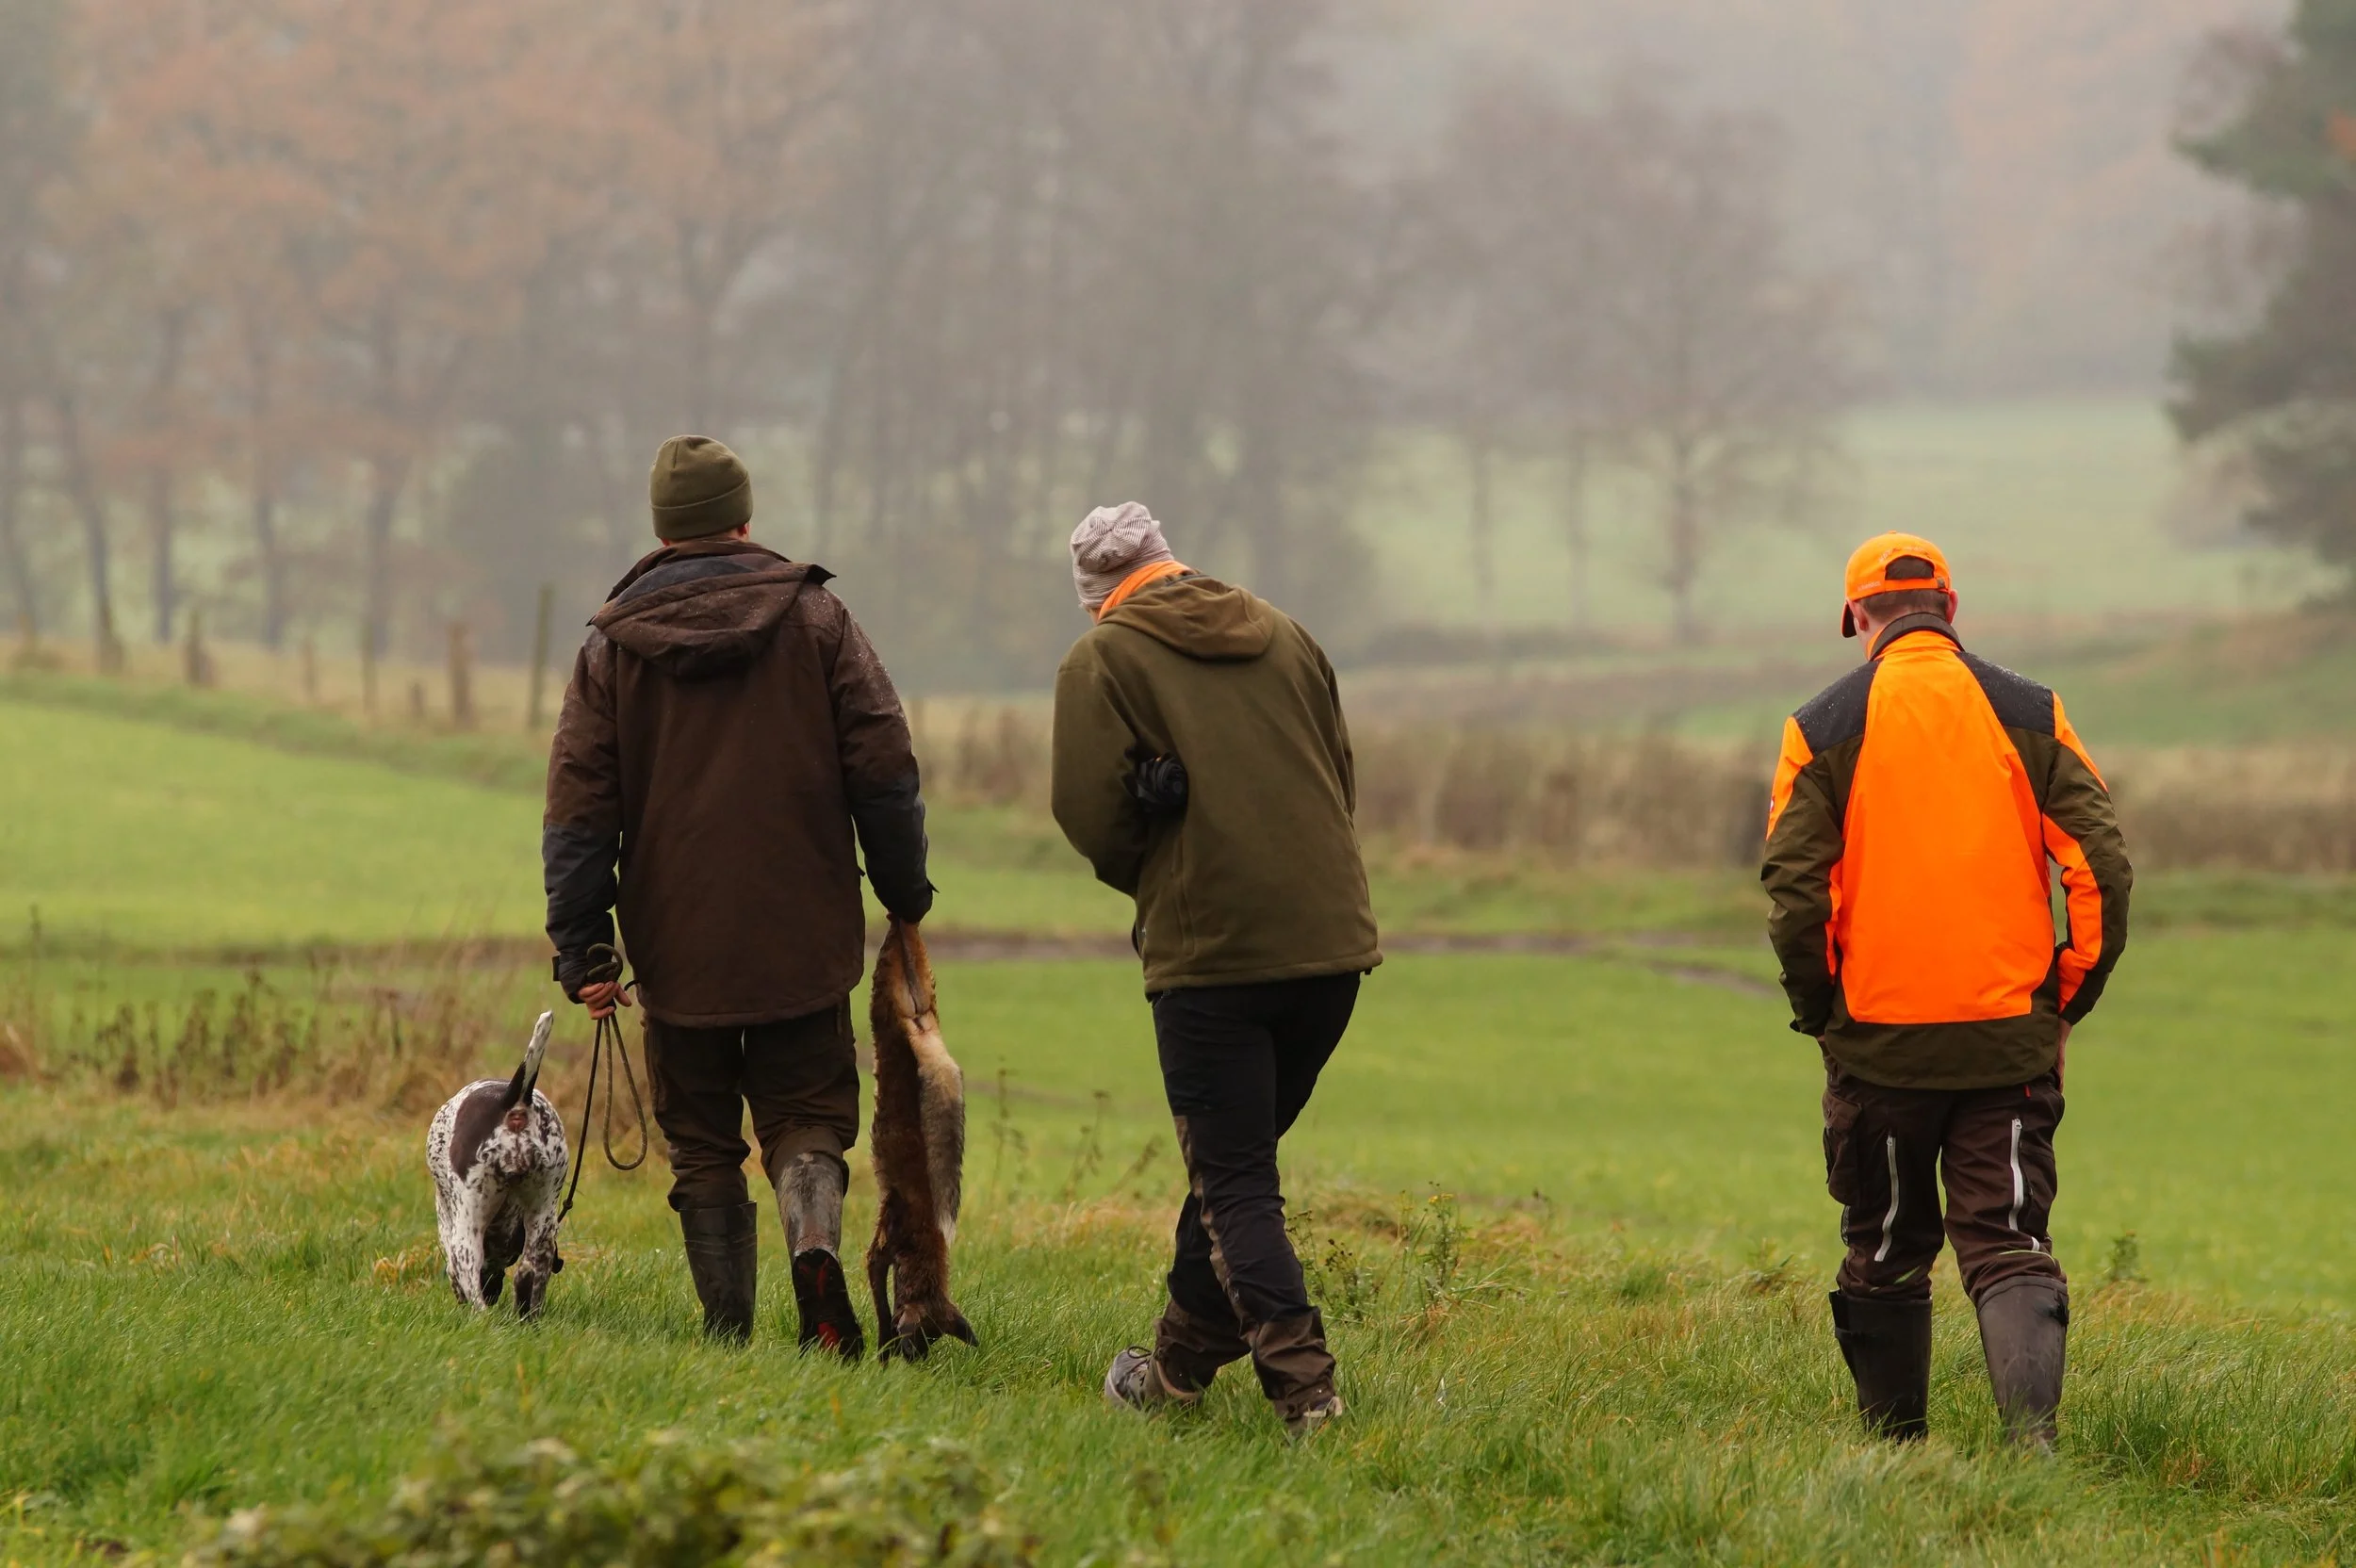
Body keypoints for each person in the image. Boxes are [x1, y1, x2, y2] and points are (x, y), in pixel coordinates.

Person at [543, 434, 933, 1353]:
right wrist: (904, 892)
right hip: (804, 933)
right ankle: (814, 1245)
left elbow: (579, 809)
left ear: (662, 531)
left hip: (677, 946)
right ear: (744, 519)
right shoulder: (819, 619)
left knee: (703, 1137)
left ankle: (727, 1334)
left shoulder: (610, 648)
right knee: (808, 1114)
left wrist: (584, 946)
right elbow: (884, 764)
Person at [1761, 532, 2132, 1449]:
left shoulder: (1820, 727)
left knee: (1886, 1244)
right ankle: (2031, 1449)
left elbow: (1796, 892)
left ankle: (1897, 1454)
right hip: (2007, 1038)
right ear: (1950, 607)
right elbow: (2101, 869)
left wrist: (1822, 1008)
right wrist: (2065, 996)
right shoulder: (2031, 711)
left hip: (1878, 1042)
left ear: (1858, 617)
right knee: (2008, 1242)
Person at [1050, 502, 1382, 1439]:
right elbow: (1338, 776)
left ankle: (1306, 1393)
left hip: (1213, 959)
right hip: (1331, 946)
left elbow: (1088, 815)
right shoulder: (1286, 632)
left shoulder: (1101, 659)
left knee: (1235, 1184)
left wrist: (1164, 869)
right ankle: (1174, 1371)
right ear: (1169, 560)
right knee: (1233, 1172)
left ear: (1096, 597)